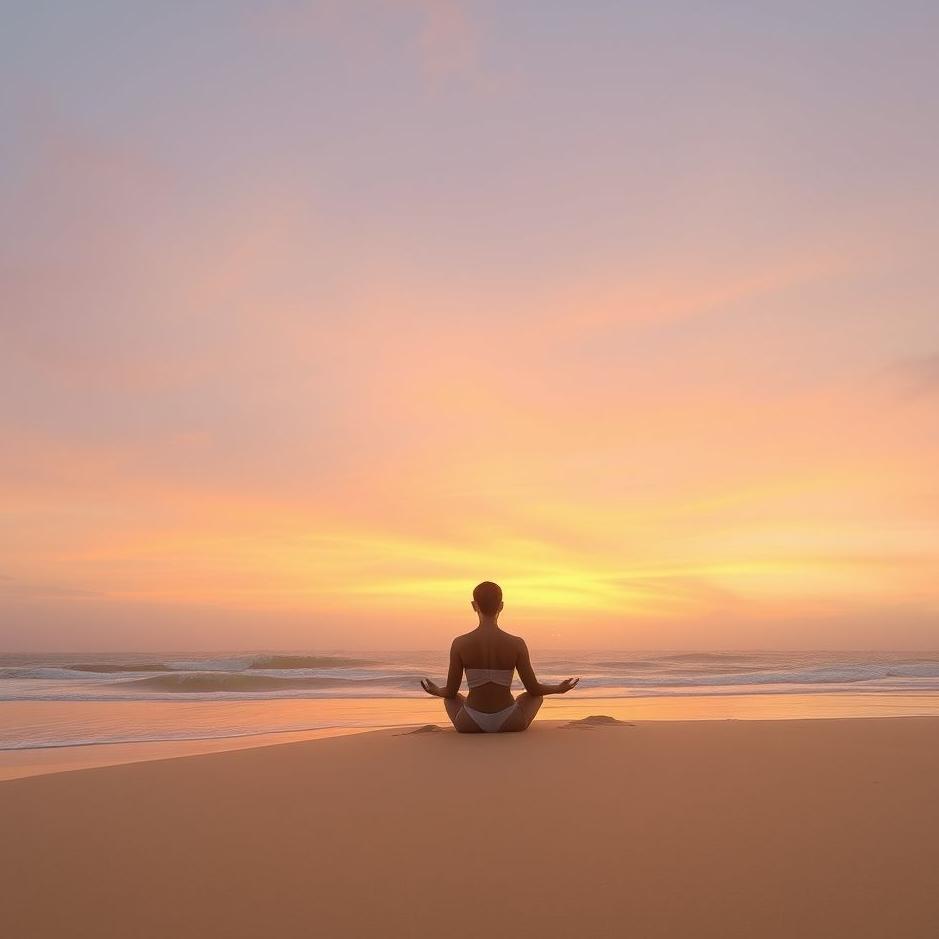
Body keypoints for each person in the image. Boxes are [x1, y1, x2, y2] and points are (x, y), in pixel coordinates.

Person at [419, 581, 580, 732]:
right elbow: (534, 689)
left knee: (453, 699)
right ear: (501, 606)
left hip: (470, 723)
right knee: (532, 697)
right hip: (510, 721)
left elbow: (451, 693)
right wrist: (559, 689)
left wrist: (436, 690)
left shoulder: (460, 643)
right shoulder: (517, 643)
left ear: (474, 606)